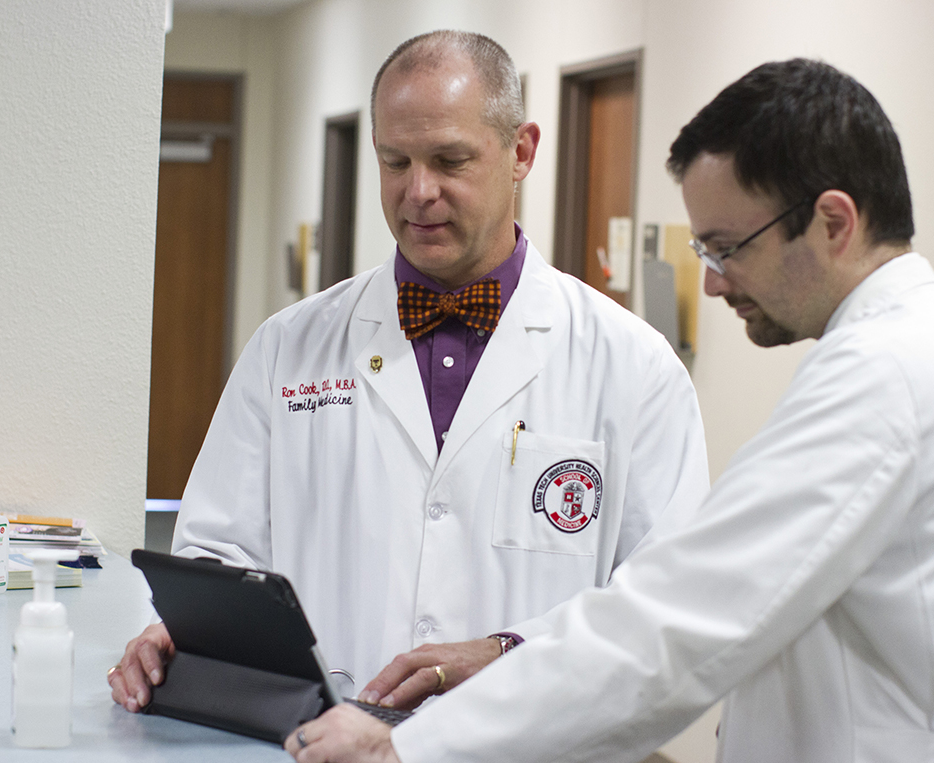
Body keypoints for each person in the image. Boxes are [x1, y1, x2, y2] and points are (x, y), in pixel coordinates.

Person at [283, 58, 934, 763]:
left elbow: (675, 623)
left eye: (725, 248)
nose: (712, 284)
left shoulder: (885, 380)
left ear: (834, 222)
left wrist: (411, 747)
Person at [108, 30, 708, 716]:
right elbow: (218, 546)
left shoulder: (632, 365)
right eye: (395, 161)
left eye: (450, 160)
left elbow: (669, 600)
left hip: (527, 739)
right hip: (321, 733)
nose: (418, 192)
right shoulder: (290, 346)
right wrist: (187, 633)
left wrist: (512, 651)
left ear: (521, 152)